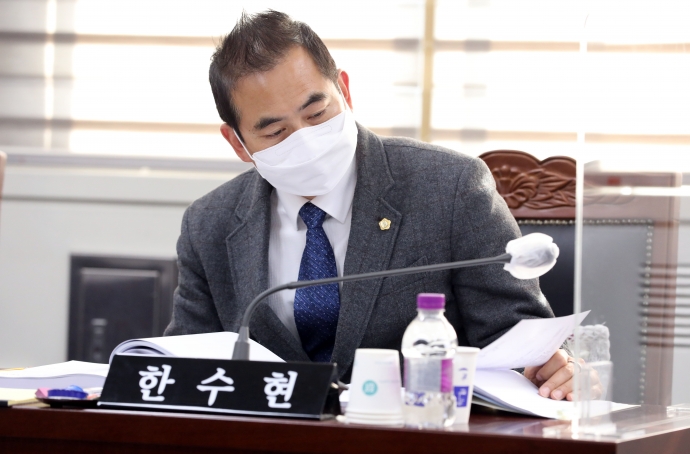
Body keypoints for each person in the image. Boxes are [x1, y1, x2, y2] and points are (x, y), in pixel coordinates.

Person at [164, 10, 589, 401]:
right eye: (276, 132)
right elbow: (182, 364)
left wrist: (554, 370)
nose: (305, 140)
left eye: (317, 113)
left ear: (344, 91)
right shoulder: (209, 223)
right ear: (237, 142)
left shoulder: (450, 186)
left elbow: (517, 340)